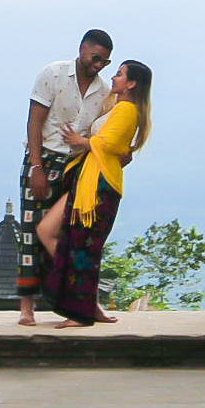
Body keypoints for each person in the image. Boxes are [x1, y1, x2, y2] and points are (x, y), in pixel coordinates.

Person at [34, 59, 149, 327]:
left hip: (100, 185)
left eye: (120, 75)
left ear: (131, 83)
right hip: (87, 180)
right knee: (54, 234)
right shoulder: (117, 108)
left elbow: (111, 144)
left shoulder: (128, 110)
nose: (114, 78)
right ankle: (87, 304)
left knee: (83, 248)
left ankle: (81, 312)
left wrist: (80, 142)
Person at [14, 29, 114, 327]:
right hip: (43, 158)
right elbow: (34, 121)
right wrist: (36, 168)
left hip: (76, 166)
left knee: (76, 237)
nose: (98, 65)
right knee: (32, 234)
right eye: (95, 58)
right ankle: (26, 307)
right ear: (82, 49)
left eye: (105, 62)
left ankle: (80, 302)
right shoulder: (53, 74)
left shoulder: (103, 90)